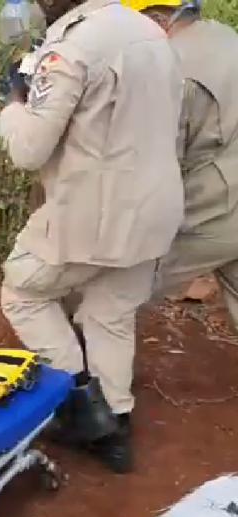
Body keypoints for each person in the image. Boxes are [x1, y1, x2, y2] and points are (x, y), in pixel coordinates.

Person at [0, 0, 184, 473]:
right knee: (109, 313)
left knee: (23, 292)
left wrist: (13, 105)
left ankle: (83, 404)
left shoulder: (72, 44)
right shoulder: (151, 34)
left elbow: (29, 149)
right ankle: (116, 427)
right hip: (155, 209)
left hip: (96, 214)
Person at [129, 0, 238, 332]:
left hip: (215, 208)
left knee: (108, 292)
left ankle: (97, 379)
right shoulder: (225, 37)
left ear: (154, 19)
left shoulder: (171, 67)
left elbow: (158, 166)